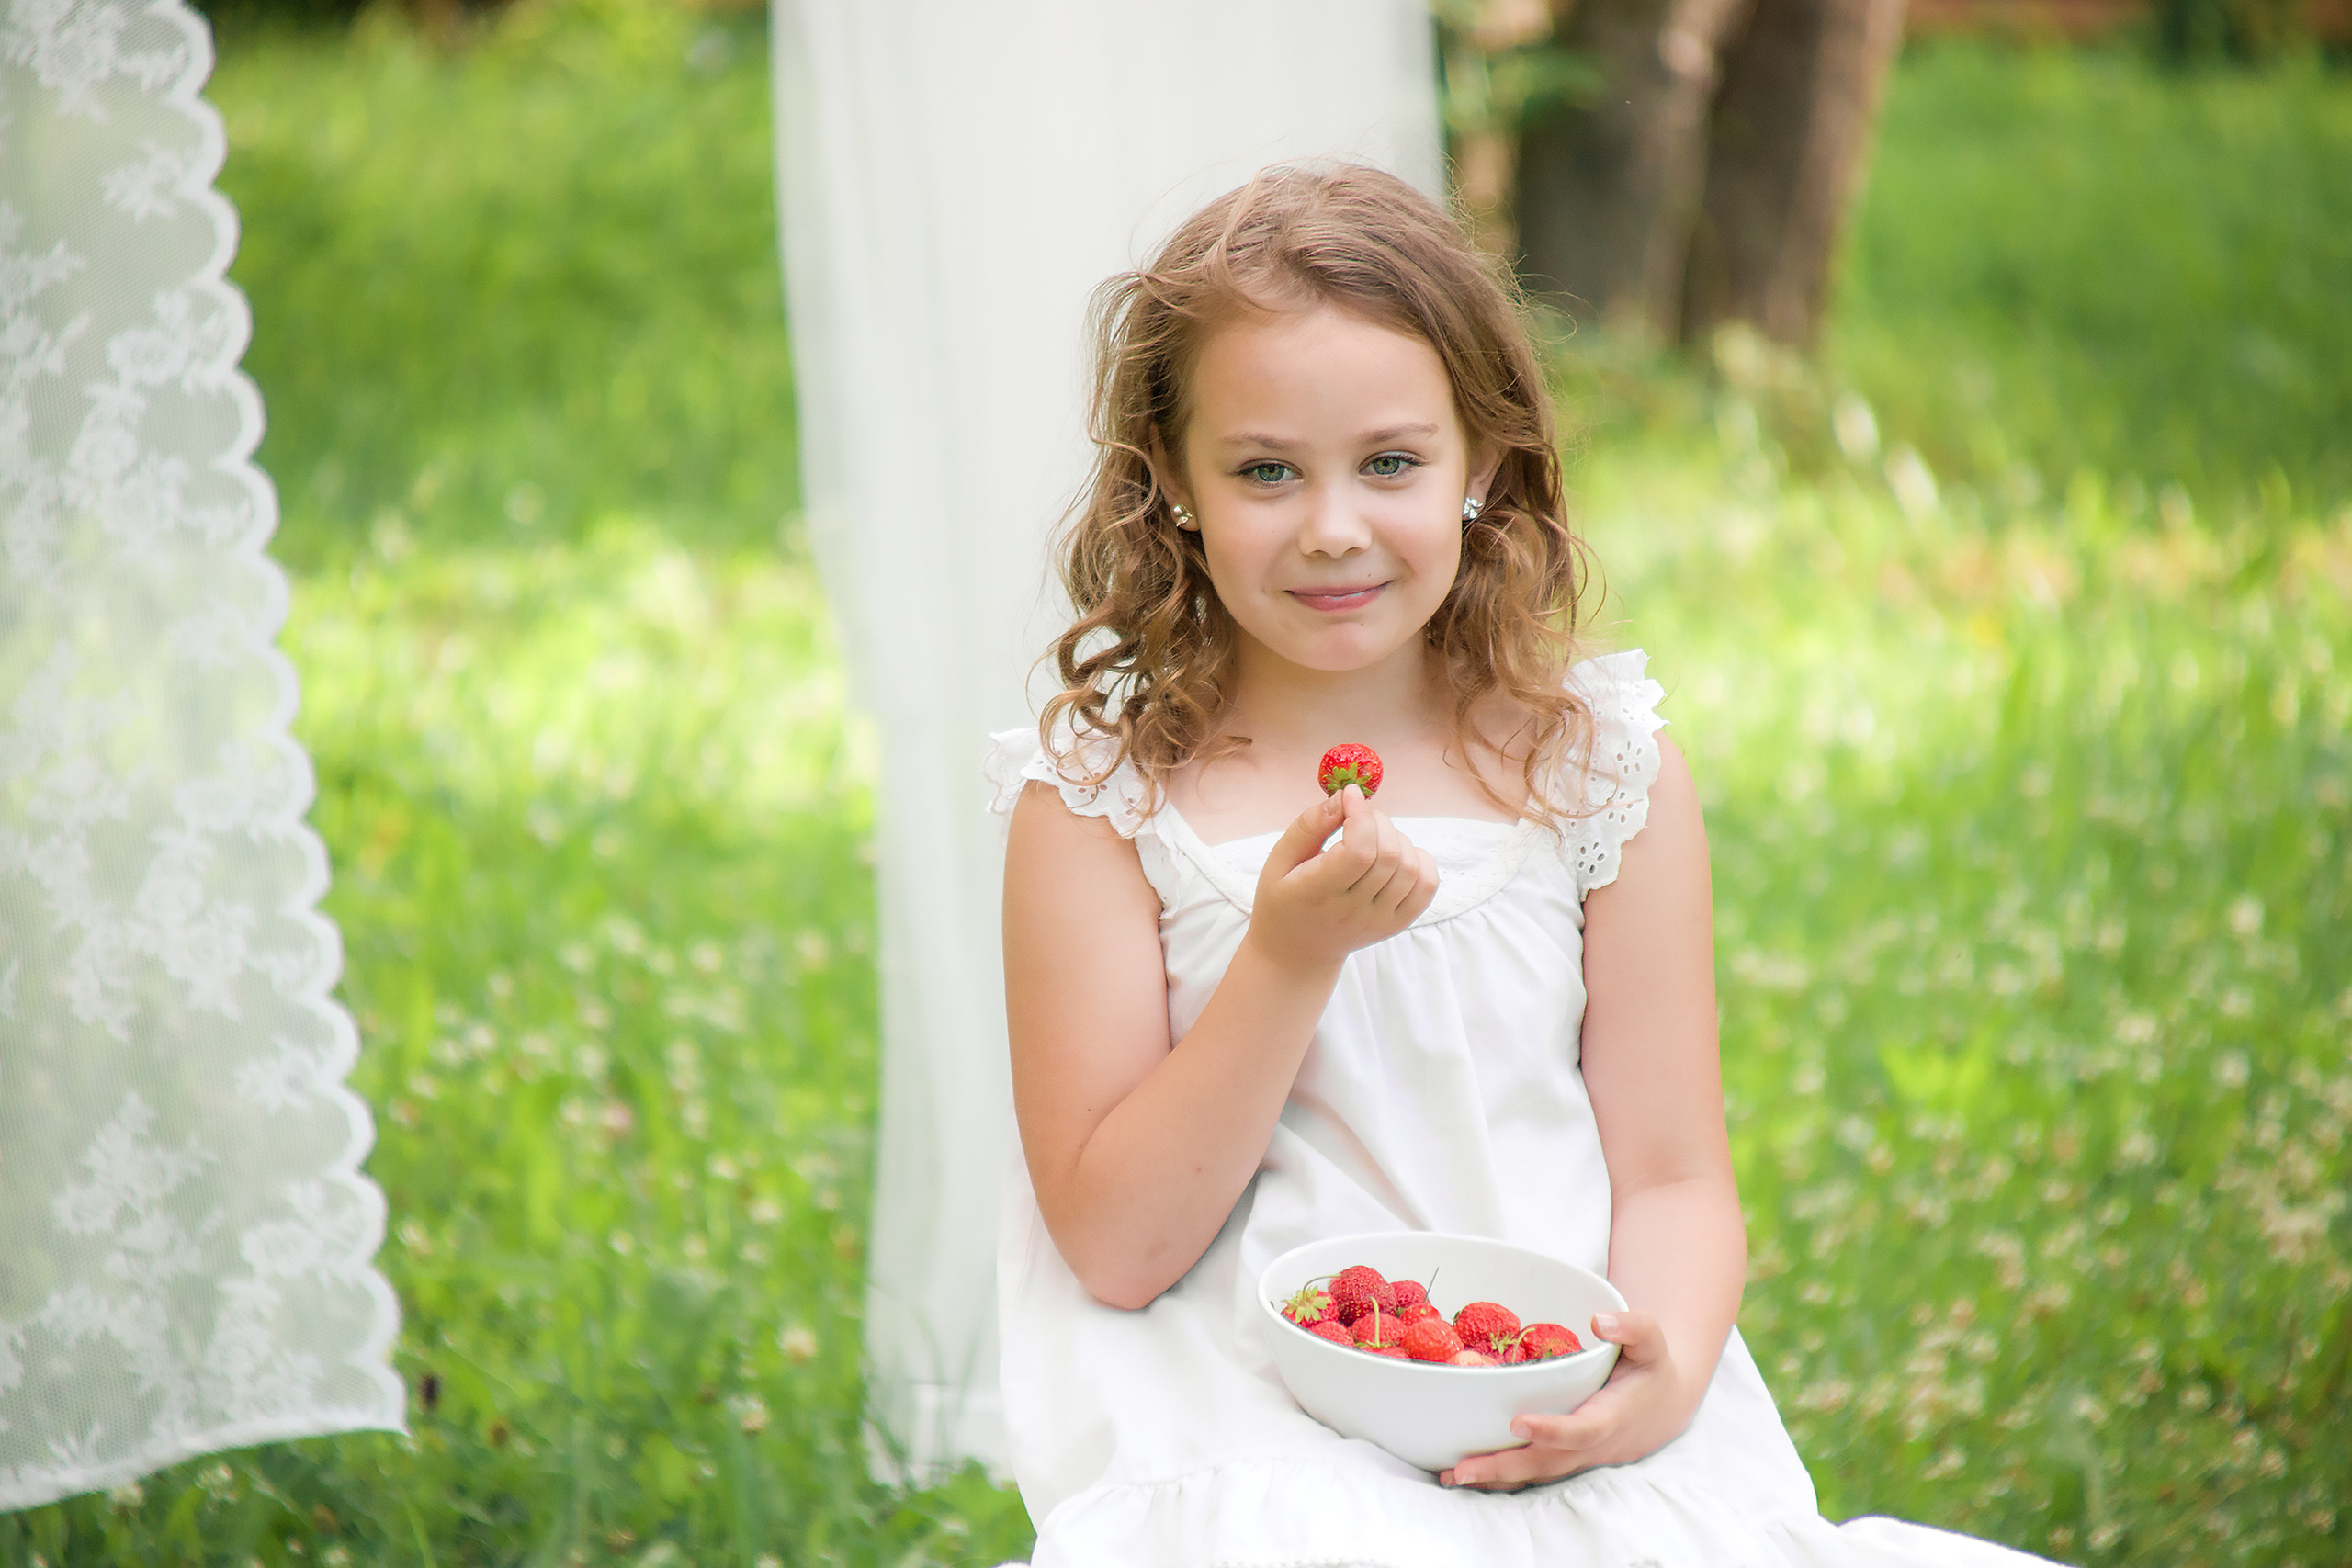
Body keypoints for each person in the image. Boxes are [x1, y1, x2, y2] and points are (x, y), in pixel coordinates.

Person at [985, 164, 2056, 1567]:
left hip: (1563, 1400)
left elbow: (1672, 1172)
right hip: (1250, 1428)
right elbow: (1117, 1247)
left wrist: (1650, 1380)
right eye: (1263, 471)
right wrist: (1289, 955)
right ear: (1171, 486)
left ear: (1483, 461)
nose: (1332, 527)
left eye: (1389, 462)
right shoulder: (1100, 804)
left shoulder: (1595, 772)